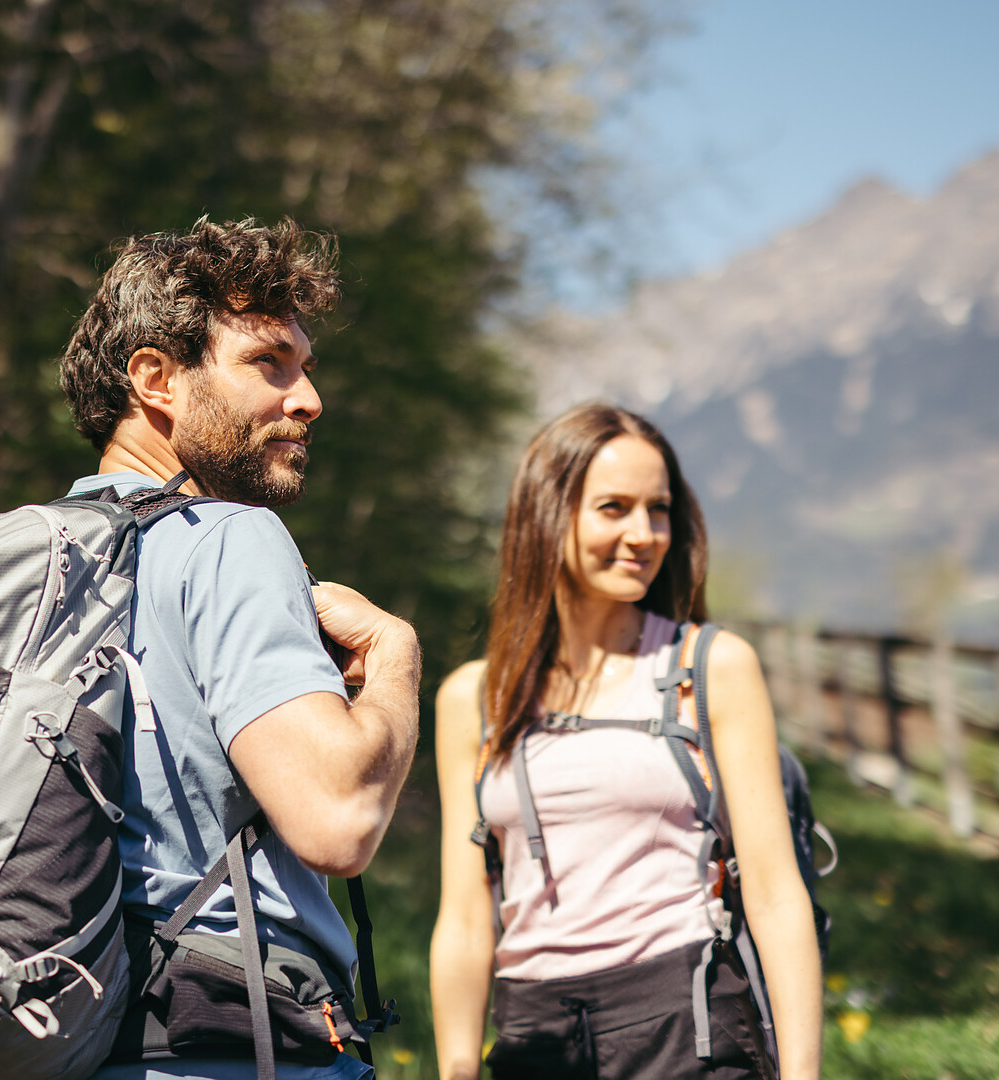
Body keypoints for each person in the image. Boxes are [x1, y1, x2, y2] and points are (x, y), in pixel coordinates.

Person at [59, 217, 422, 1080]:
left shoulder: (48, 559)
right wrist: (395, 655)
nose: (308, 399)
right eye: (269, 363)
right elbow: (338, 821)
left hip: (78, 1037)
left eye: (305, 367)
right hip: (238, 1043)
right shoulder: (228, 538)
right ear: (157, 380)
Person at [429, 404, 823, 1080]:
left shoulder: (710, 667)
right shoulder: (473, 698)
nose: (644, 534)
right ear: (547, 516)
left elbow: (775, 889)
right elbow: (464, 919)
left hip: (682, 1020)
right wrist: (458, 1067)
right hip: (531, 1034)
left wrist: (801, 1073)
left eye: (659, 510)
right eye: (614, 508)